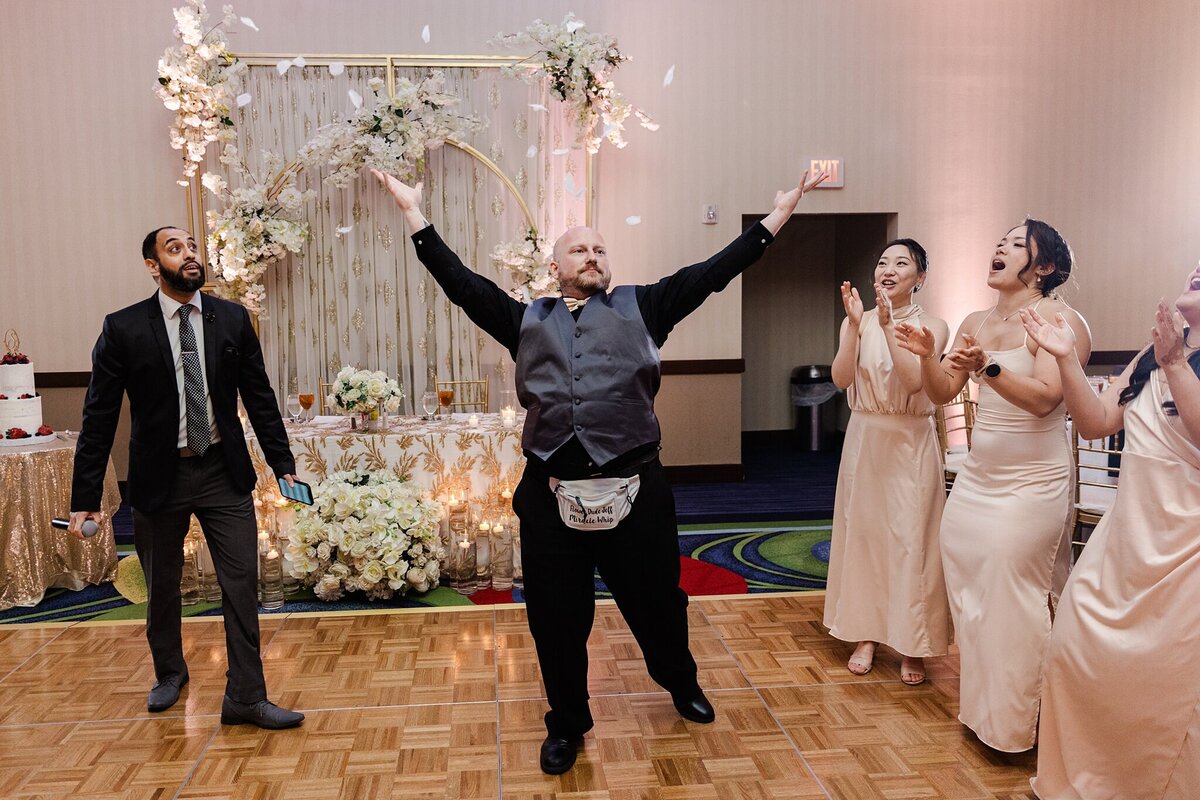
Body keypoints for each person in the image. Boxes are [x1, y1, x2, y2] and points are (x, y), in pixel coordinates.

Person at [373, 166, 827, 774]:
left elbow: (717, 271)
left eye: (599, 248)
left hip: (637, 489)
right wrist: (414, 215)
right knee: (556, 621)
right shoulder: (524, 319)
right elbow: (460, 284)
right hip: (550, 493)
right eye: (578, 248)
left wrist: (778, 214)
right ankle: (567, 721)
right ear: (555, 267)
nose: (591, 254)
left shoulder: (648, 306)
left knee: (658, 605)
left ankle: (679, 680)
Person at [69, 227, 304, 729]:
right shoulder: (124, 328)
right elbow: (99, 417)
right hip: (160, 476)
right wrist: (86, 495)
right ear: (153, 266)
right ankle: (169, 673)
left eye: (193, 246)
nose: (189, 255)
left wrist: (283, 465)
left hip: (223, 469)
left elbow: (259, 397)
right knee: (164, 585)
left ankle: (246, 695)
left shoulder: (233, 318)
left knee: (241, 583)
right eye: (175, 249)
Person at [895, 219, 1091, 752]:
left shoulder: (1059, 320)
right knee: (970, 584)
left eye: (1013, 245)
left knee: (1014, 594)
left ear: (1044, 266)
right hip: (980, 477)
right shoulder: (974, 321)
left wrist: (991, 368)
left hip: (1032, 478)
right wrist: (926, 355)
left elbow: (1048, 399)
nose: (997, 250)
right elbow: (941, 392)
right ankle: (986, 707)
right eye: (997, 243)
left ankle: (1017, 728)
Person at [1025, 268, 1200, 799]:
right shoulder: (1153, 355)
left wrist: (1174, 363)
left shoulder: (1169, 357)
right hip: (1125, 539)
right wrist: (1063, 358)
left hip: (1185, 548)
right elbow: (1097, 421)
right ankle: (1087, 780)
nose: (1195, 271)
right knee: (1073, 650)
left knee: (1163, 684)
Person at [824, 239, 951, 686]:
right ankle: (866, 634)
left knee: (912, 541)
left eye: (902, 263)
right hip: (865, 436)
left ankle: (912, 643)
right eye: (882, 262)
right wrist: (856, 327)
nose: (888, 269)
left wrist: (888, 321)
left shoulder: (931, 325)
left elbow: (915, 381)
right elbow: (841, 378)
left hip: (910, 440)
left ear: (920, 278)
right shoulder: (855, 320)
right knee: (866, 535)